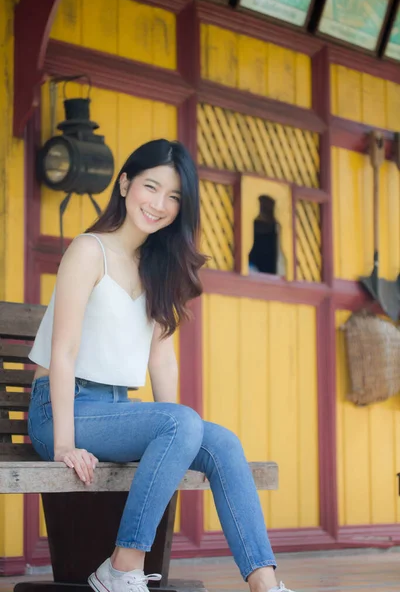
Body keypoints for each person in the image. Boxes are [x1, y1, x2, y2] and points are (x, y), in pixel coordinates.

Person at [27, 139, 295, 592]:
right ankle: (122, 566)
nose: (159, 204)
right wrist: (64, 445)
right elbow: (63, 352)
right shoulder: (89, 251)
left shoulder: (160, 266)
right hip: (60, 411)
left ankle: (266, 586)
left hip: (113, 411)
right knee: (182, 423)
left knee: (224, 445)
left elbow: (161, 358)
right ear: (126, 183)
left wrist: (181, 435)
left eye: (173, 197)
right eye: (151, 187)